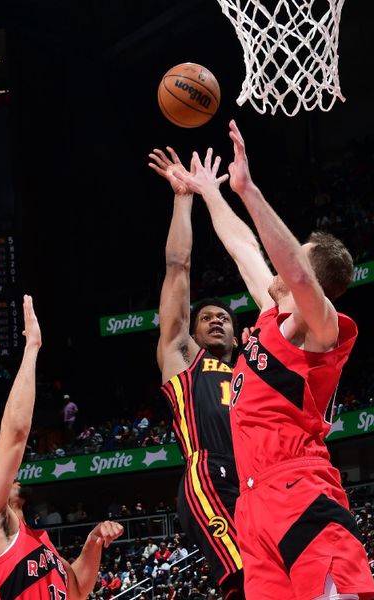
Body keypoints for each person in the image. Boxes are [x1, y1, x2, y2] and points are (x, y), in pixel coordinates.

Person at [176, 121, 374, 600]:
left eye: (294, 258)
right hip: (253, 507)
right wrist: (211, 194)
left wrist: (248, 190)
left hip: (302, 492)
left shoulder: (321, 333)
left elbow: (301, 279)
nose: (279, 263)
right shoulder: (270, 321)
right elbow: (243, 247)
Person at [0, 295, 123, 600]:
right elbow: (16, 434)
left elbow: (76, 589)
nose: (0, 472)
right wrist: (32, 347)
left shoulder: (36, 540)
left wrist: (94, 542)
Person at [148, 146, 245, 599]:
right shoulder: (185, 359)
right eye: (205, 317)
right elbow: (177, 267)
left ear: (239, 335)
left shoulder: (253, 370)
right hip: (211, 475)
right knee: (246, 576)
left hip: (257, 479)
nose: (215, 319)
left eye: (223, 317)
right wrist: (184, 199)